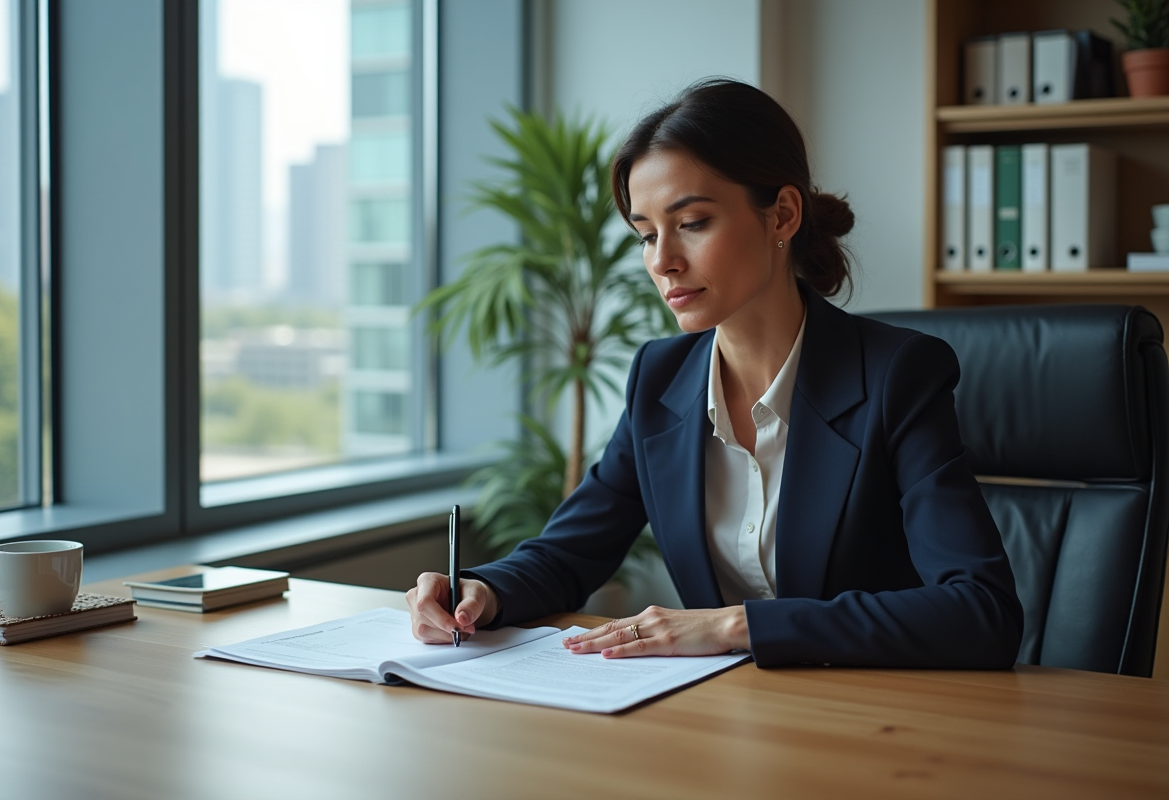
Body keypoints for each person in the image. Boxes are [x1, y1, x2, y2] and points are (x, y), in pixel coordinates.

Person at [406, 78, 1023, 669]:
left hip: (873, 725)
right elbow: (571, 551)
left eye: (693, 223)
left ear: (781, 215)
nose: (663, 261)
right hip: (722, 720)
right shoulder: (660, 377)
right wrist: (480, 591)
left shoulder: (896, 376)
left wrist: (736, 625)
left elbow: (981, 611)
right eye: (646, 235)